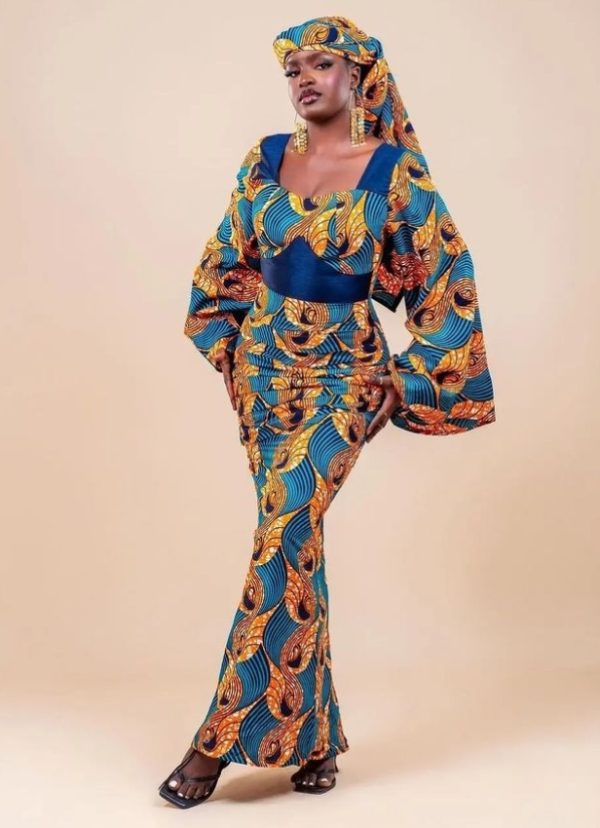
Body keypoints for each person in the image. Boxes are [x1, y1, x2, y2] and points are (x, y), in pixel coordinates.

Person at [158, 14, 496, 808]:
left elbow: (443, 281)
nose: (304, 79)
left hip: (346, 374)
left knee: (285, 526)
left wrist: (406, 380)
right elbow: (226, 261)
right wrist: (233, 350)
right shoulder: (265, 160)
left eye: (320, 64)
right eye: (293, 70)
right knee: (296, 545)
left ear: (356, 76)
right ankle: (314, 740)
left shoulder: (395, 175)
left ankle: (216, 741)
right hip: (264, 376)